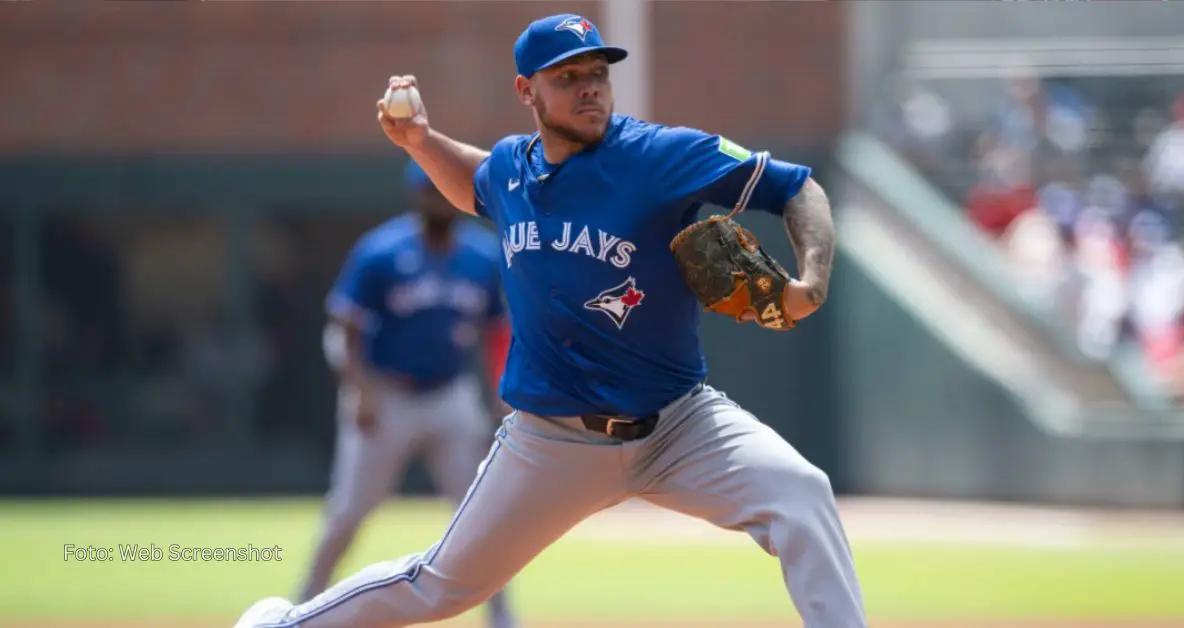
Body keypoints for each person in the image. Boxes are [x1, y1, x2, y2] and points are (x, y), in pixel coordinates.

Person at [236, 13, 866, 628]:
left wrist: (810, 280)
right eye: (567, 77)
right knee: (439, 587)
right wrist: (421, 141)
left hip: (681, 423)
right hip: (552, 441)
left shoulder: (660, 154)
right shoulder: (512, 168)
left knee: (800, 493)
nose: (590, 86)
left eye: (598, 72)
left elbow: (797, 188)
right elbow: (478, 180)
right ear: (526, 90)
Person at [296, 160, 518, 628]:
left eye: (447, 192)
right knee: (349, 512)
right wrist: (361, 392)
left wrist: (500, 391)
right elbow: (344, 329)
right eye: (431, 191)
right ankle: (301, 607)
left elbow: (497, 330)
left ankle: (501, 618)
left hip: (449, 397)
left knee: (483, 512)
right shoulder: (380, 252)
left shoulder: (482, 256)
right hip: (386, 393)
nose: (440, 200)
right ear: (417, 196)